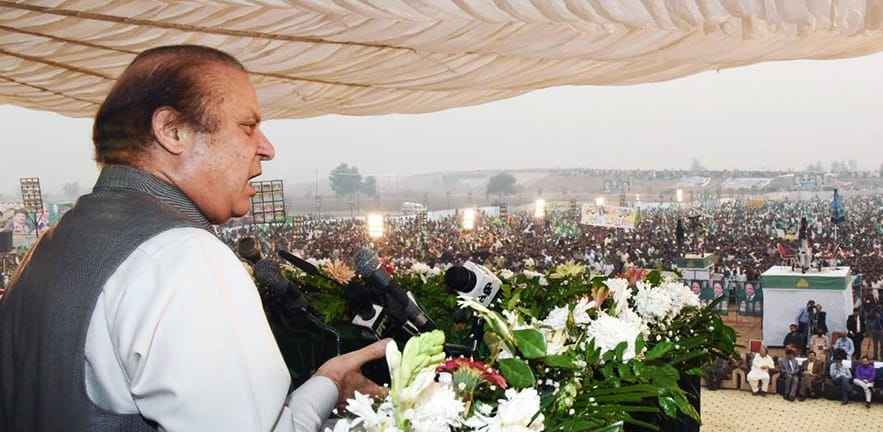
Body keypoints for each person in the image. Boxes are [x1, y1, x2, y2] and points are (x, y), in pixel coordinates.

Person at [0, 45, 388, 432]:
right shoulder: (182, 258)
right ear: (173, 131)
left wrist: (329, 385)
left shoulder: (48, 246)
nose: (266, 149)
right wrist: (330, 389)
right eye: (247, 126)